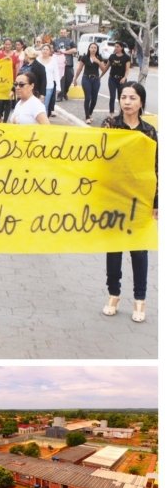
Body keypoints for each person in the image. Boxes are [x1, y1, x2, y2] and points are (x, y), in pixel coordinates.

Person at [101, 82, 158, 322]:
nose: (127, 101)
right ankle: (113, 294)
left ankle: (140, 300)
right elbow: (97, 155)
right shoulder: (110, 125)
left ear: (141, 102)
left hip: (139, 199)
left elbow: (155, 167)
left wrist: (156, 201)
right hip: (114, 195)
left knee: (138, 250)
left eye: (132, 97)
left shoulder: (149, 132)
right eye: (123, 97)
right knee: (113, 249)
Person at [73, 41, 106, 124]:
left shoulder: (99, 57)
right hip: (86, 79)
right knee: (88, 98)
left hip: (96, 79)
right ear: (89, 48)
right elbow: (79, 69)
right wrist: (75, 78)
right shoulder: (84, 57)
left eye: (95, 48)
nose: (93, 49)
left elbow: (103, 70)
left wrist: (98, 62)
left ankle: (90, 113)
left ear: (97, 49)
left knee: (94, 99)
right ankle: (87, 116)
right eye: (92, 47)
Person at [105, 41, 132, 116]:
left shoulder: (126, 57)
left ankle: (122, 113)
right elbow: (106, 68)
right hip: (112, 79)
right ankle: (111, 113)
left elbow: (127, 70)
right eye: (115, 46)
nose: (116, 48)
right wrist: (100, 76)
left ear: (121, 48)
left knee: (121, 97)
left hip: (121, 80)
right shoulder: (112, 56)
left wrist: (124, 78)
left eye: (117, 46)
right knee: (112, 96)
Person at [36, 44, 60, 115]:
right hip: (38, 86)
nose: (45, 51)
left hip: (49, 86)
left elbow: (56, 74)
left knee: (45, 106)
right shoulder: (37, 60)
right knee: (38, 105)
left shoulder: (53, 60)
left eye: (47, 49)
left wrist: (58, 87)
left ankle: (44, 123)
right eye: (44, 49)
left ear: (50, 51)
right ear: (41, 50)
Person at [52, 28, 76, 100]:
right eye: (61, 32)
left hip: (68, 63)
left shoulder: (70, 41)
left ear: (66, 33)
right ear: (59, 33)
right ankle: (60, 96)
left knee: (69, 78)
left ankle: (65, 92)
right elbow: (52, 50)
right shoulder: (55, 41)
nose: (62, 34)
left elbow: (74, 50)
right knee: (60, 80)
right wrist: (57, 52)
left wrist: (64, 52)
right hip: (59, 64)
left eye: (64, 32)